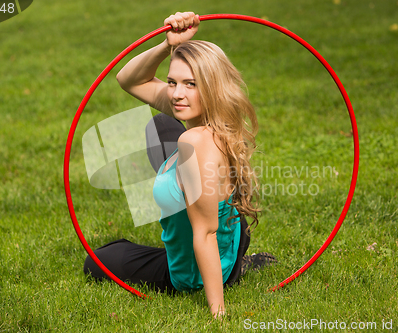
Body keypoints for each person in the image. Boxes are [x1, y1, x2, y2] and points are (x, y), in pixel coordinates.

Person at [83, 12, 276, 319]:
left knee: (99, 259)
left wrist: (218, 314)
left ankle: (234, 269)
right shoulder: (215, 122)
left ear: (210, 87)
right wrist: (168, 45)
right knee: (161, 125)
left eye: (190, 84)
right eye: (172, 82)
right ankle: (237, 261)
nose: (176, 93)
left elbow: (205, 233)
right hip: (234, 232)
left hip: (194, 273)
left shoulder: (194, 143)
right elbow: (128, 79)